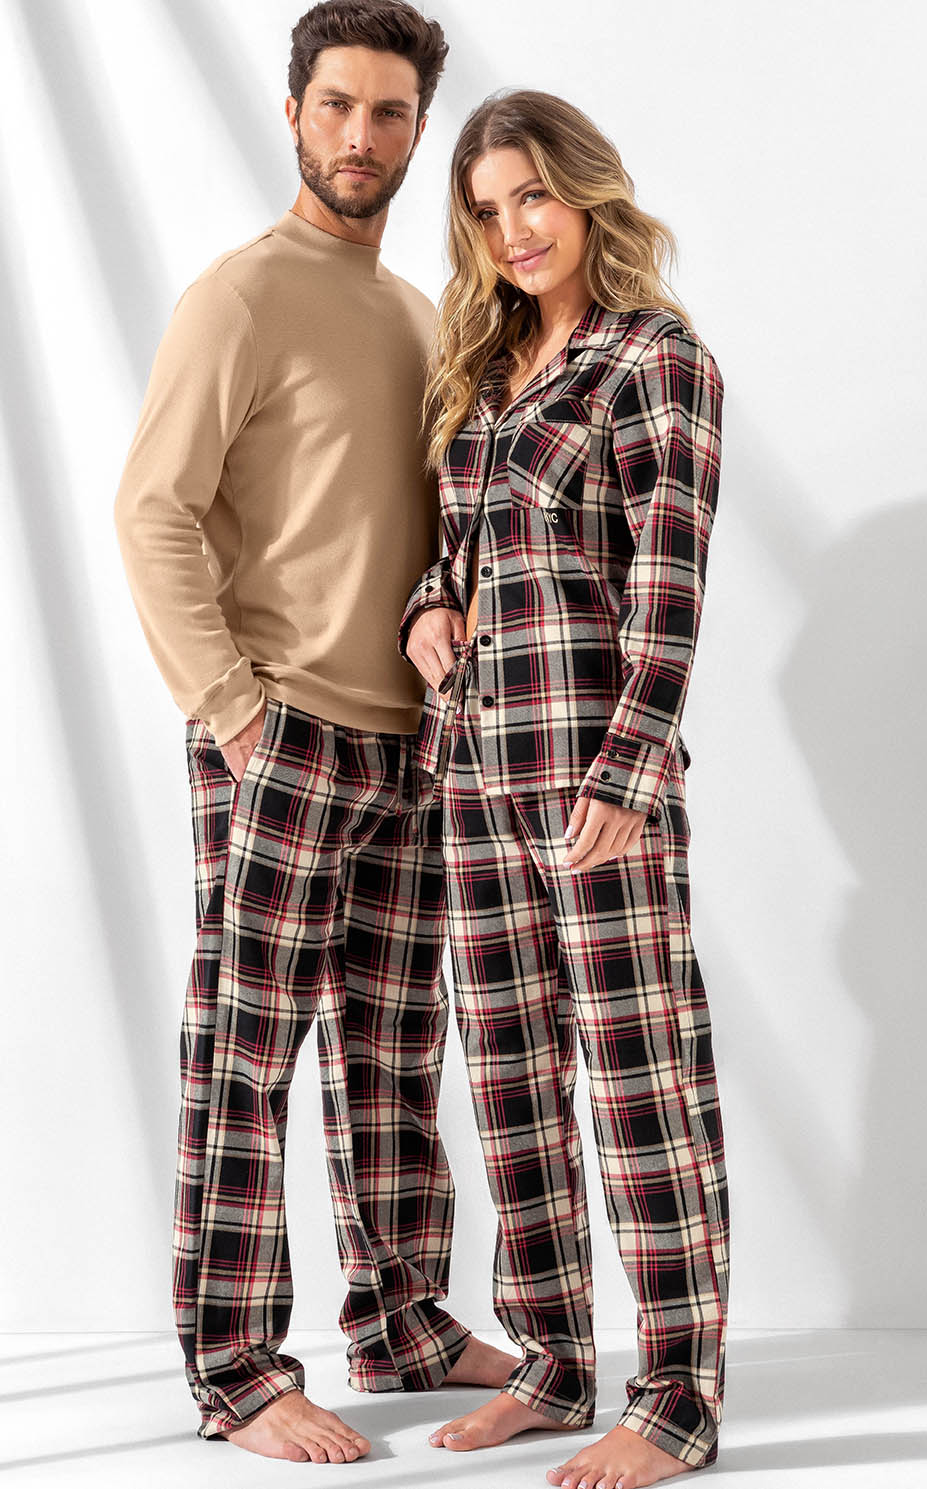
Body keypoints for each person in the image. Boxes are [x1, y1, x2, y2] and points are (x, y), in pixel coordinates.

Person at [114, 2, 515, 1464]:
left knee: (396, 1055)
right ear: (293, 113)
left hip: (408, 746)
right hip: (277, 733)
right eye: (337, 104)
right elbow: (151, 511)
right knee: (246, 1057)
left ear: (418, 131)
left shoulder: (419, 318)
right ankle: (234, 1370)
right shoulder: (240, 297)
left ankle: (401, 1317)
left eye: (390, 111)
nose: (362, 134)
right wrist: (232, 712)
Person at [400, 90, 730, 1488]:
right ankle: (552, 1360)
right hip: (474, 771)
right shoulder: (479, 371)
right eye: (488, 210)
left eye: (533, 195)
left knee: (642, 1082)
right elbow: (456, 554)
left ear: (588, 192)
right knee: (515, 1079)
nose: (514, 230)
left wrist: (633, 767)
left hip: (597, 778)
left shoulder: (654, 359)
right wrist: (427, 608)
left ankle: (677, 1397)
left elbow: (670, 584)